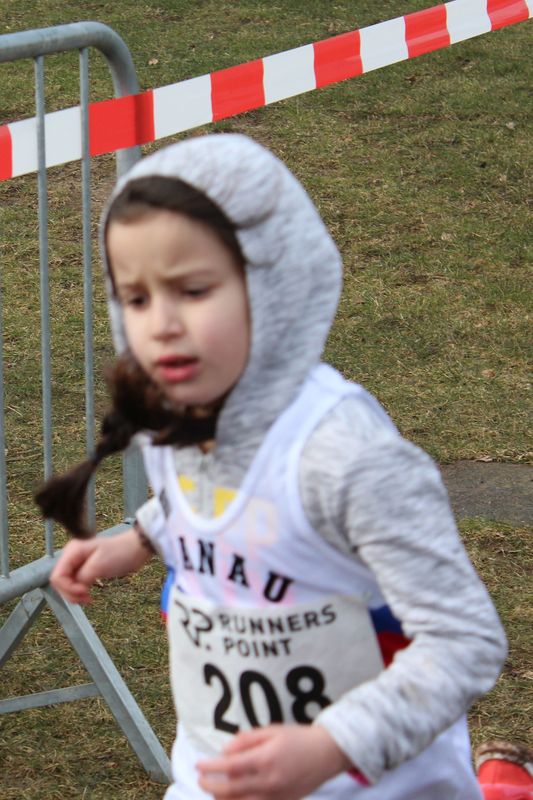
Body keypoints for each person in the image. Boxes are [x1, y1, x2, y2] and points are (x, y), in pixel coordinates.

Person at [36, 133, 507, 799]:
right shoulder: (172, 416)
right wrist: (138, 540)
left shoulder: (347, 458)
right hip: (216, 776)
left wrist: (331, 745)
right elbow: (211, 497)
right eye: (136, 299)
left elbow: (465, 639)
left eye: (192, 290)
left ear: (270, 283)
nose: (161, 324)